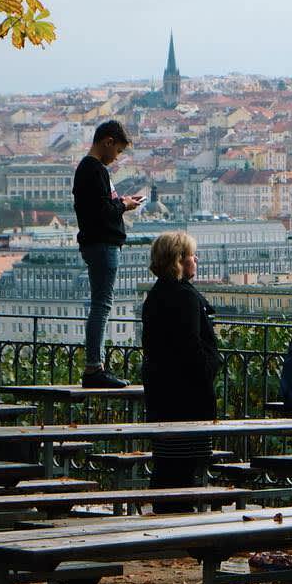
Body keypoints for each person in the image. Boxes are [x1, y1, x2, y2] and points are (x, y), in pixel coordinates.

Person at [141, 230, 220, 503]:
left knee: (167, 466)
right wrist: (212, 363)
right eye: (190, 255)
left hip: (162, 394)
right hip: (188, 397)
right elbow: (192, 349)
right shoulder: (184, 297)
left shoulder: (156, 295)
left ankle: (167, 523)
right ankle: (179, 526)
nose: (195, 259)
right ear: (178, 260)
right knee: (184, 468)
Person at [73, 120, 144, 389]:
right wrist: (122, 204)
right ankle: (94, 367)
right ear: (108, 141)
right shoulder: (94, 170)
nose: (117, 158)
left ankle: (95, 366)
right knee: (102, 305)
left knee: (100, 304)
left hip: (97, 244)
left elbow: (97, 208)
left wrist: (120, 204)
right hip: (103, 244)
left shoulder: (88, 169)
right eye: (118, 151)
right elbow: (102, 212)